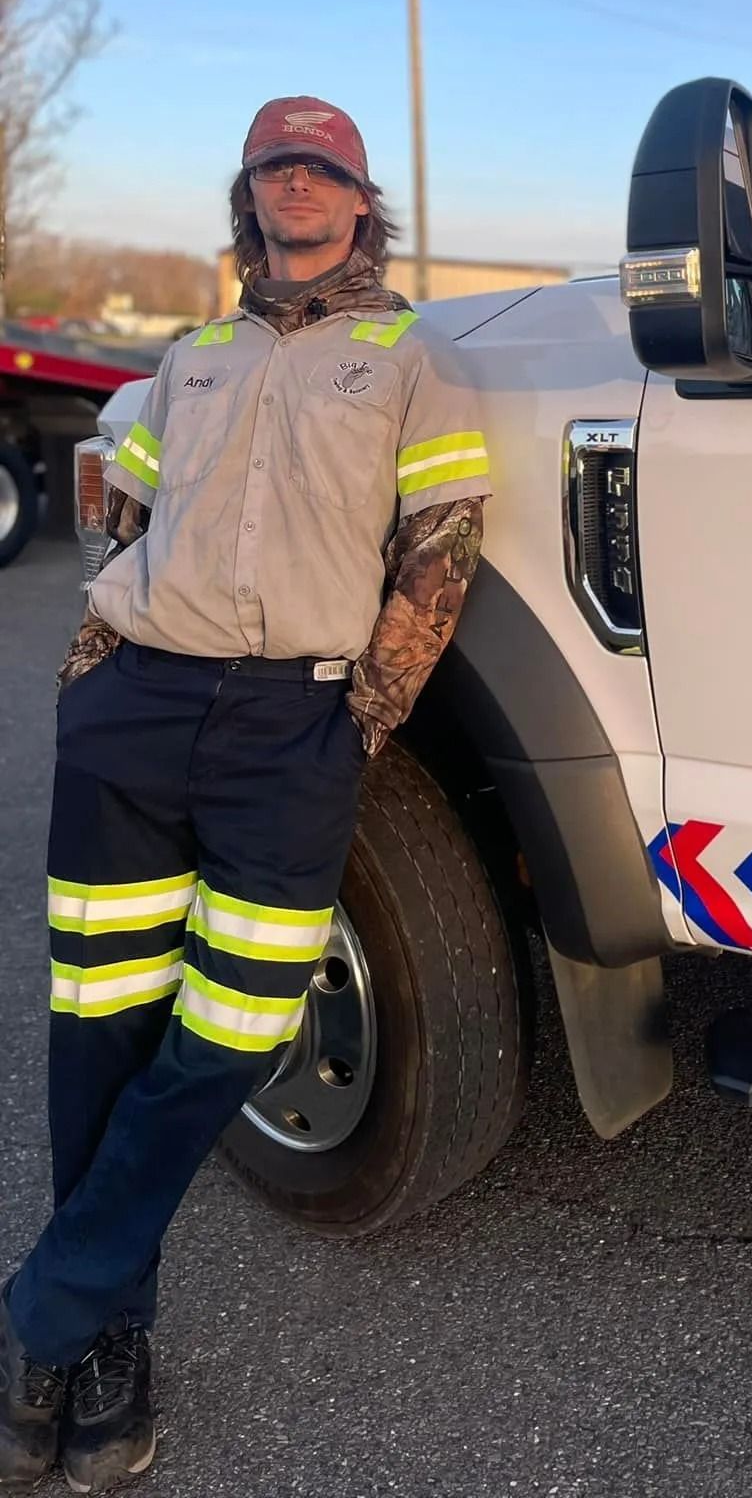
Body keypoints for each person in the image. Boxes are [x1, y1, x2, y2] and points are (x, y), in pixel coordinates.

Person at [0, 99, 493, 1493]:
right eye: (275, 166)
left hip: (296, 725)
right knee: (98, 1027)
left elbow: (443, 547)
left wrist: (364, 721)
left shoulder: (412, 358)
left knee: (235, 1027)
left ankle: (49, 1296)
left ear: (357, 199)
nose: (297, 186)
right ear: (252, 196)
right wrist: (87, 679)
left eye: (321, 168)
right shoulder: (189, 357)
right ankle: (98, 1348)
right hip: (136, 710)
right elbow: (127, 529)